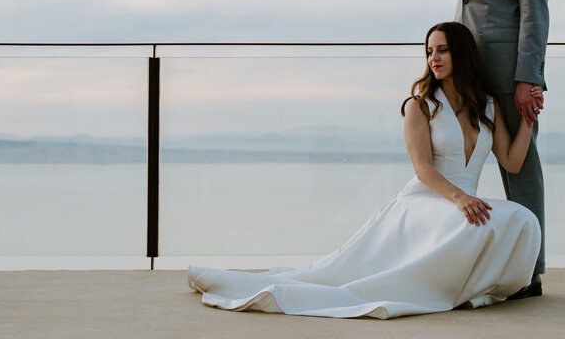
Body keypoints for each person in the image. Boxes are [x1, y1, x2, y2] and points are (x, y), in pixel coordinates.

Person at [187, 22, 542, 318]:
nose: (433, 58)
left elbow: (511, 161)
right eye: (429, 51)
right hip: (427, 200)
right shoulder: (420, 106)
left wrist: (527, 119)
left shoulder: (488, 107)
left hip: (462, 201)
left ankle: (480, 291)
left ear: (462, 54)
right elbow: (422, 169)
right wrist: (461, 198)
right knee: (471, 224)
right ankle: (448, 290)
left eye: (442, 50)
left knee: (524, 219)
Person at [456, 0, 550, 298]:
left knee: (520, 169)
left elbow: (535, 8)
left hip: (509, 71)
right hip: (467, 70)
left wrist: (528, 78)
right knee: (460, 160)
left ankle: (530, 271)